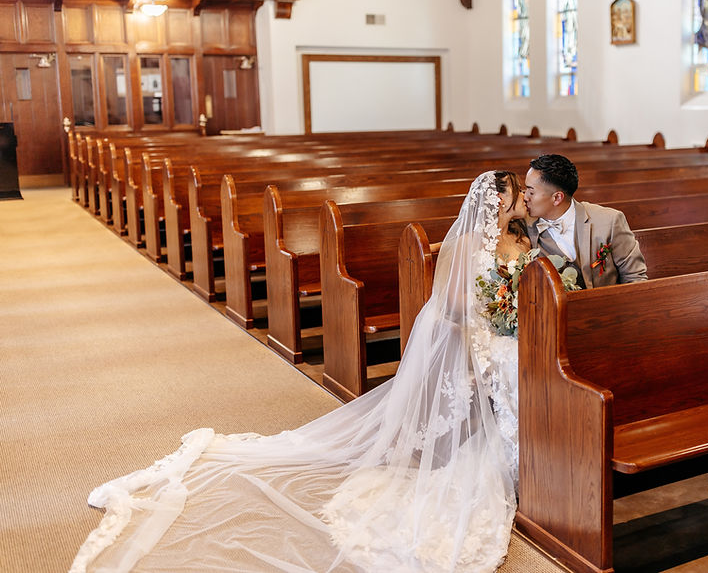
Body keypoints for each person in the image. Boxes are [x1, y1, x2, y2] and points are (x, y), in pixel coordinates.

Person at [71, 171, 531, 573]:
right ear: (498, 201)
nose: (523, 201)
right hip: (469, 331)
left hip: (492, 331)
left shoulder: (518, 237)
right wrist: (497, 312)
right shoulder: (469, 242)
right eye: (516, 195)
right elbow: (452, 301)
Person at [524, 154, 647, 288]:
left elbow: (635, 278)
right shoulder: (524, 226)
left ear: (557, 198)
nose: (524, 197)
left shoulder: (610, 221)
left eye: (531, 192)